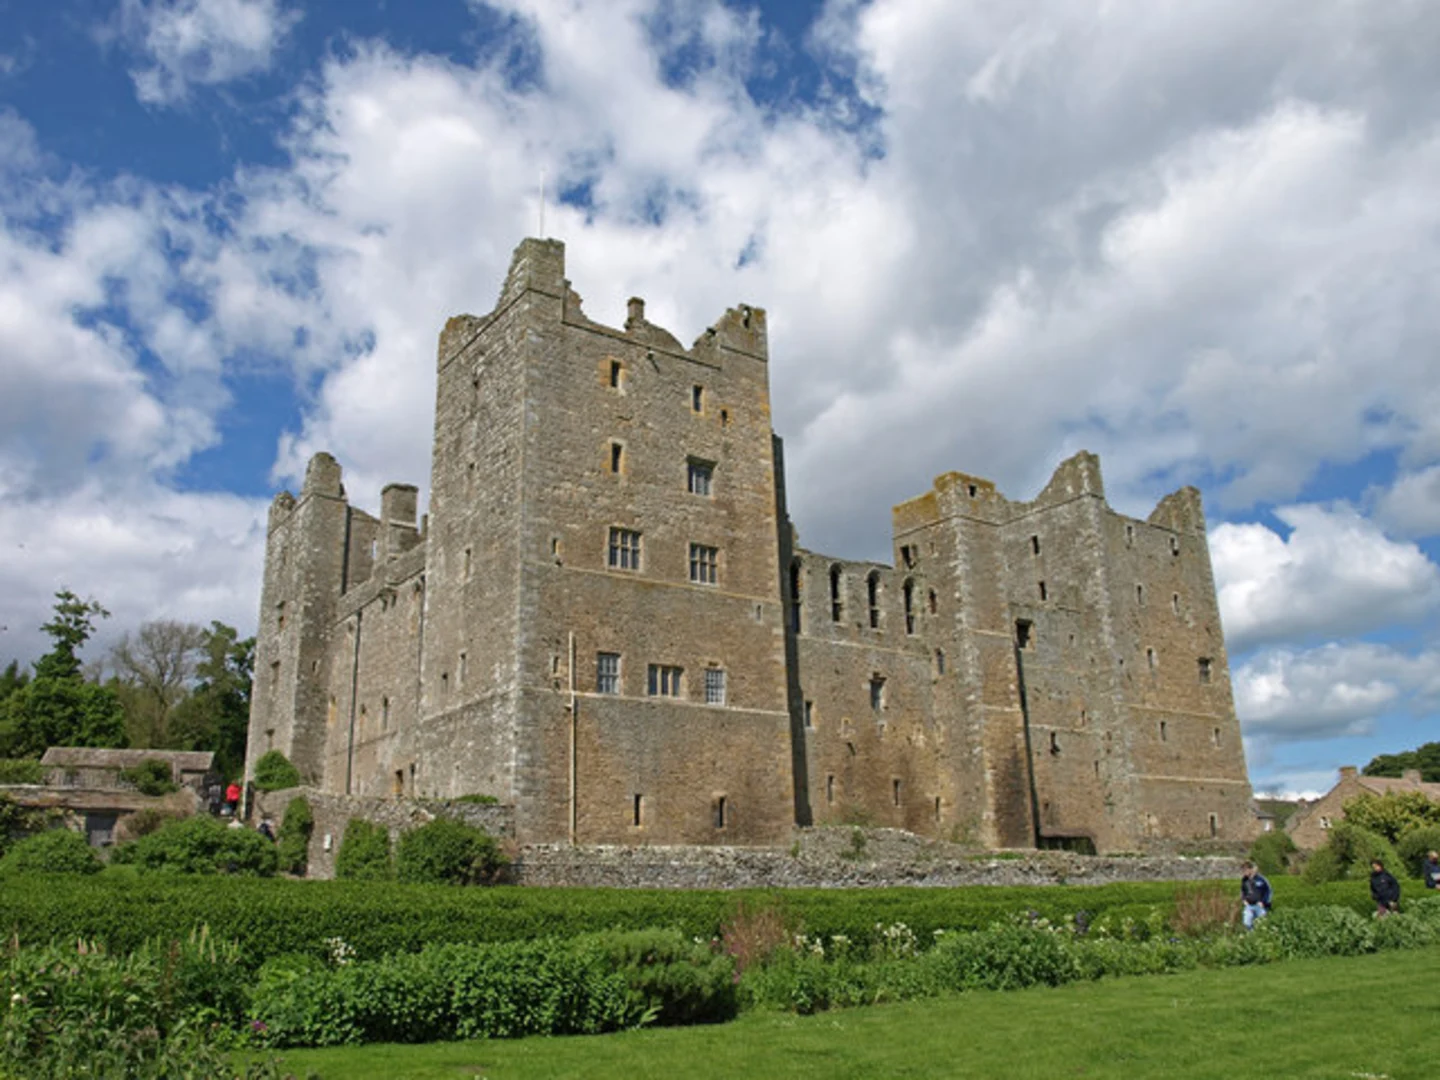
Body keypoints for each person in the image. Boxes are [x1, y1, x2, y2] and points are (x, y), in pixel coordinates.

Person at [1240, 860, 1272, 930]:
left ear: (1250, 869)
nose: (1244, 872)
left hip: (1260, 906)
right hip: (1249, 905)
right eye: (1243, 870)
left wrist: (1264, 902)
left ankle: (1258, 934)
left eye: (1245, 870)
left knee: (1261, 925)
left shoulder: (1261, 879)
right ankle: (1251, 934)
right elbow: (1243, 891)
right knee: (1246, 923)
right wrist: (1243, 900)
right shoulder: (1244, 880)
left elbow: (1269, 891)